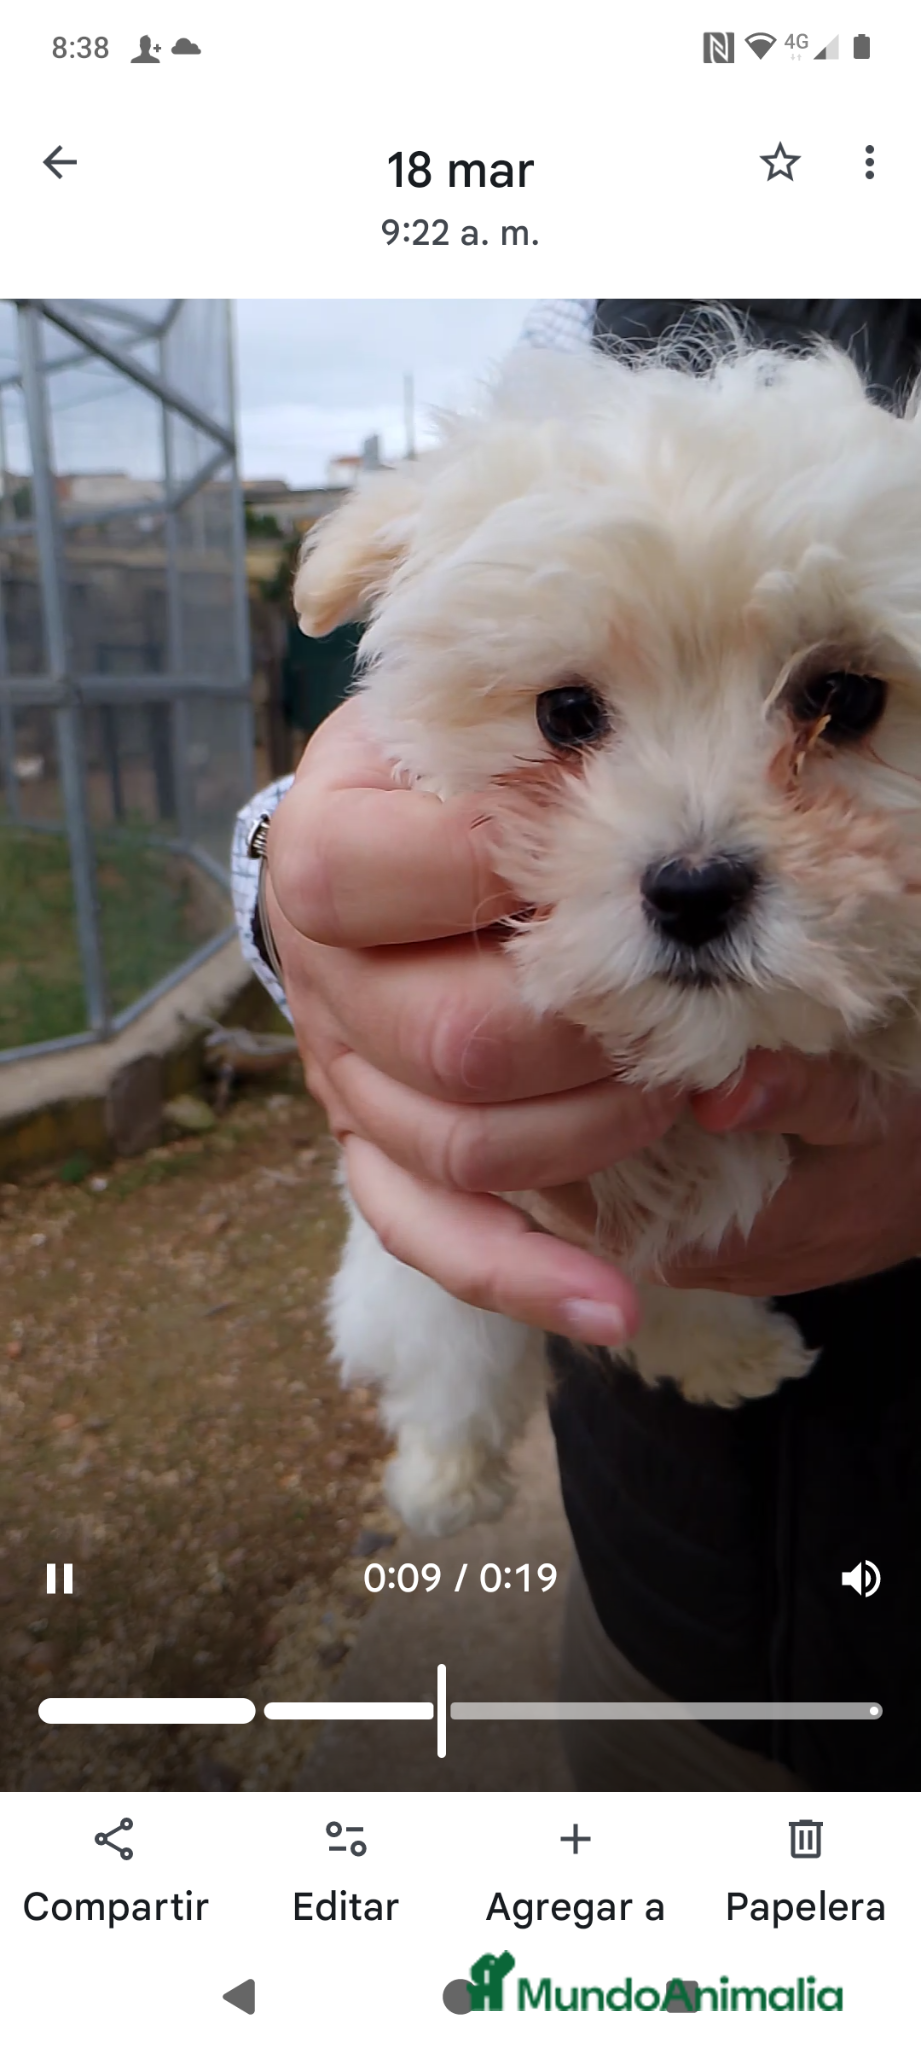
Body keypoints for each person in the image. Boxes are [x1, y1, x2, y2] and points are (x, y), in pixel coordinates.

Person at [232, 302, 921, 1793]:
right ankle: (450, 1438)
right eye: (570, 714)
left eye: (838, 701)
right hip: (670, 1604)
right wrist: (281, 893)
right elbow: (350, 785)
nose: (694, 846)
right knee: (448, 1327)